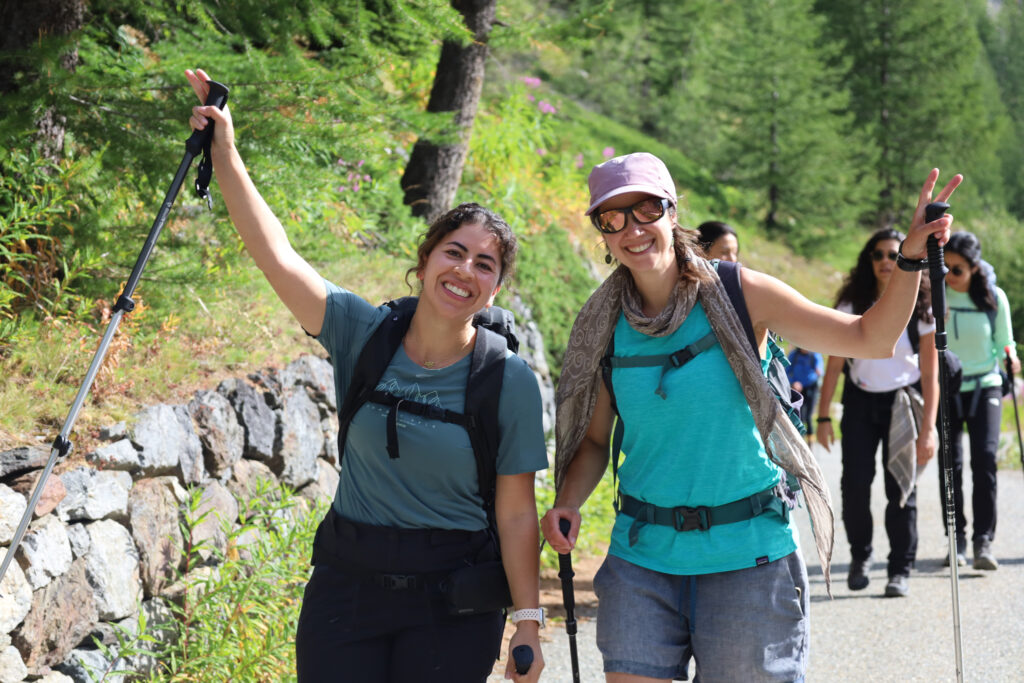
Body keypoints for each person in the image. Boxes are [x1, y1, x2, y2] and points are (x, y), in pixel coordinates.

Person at [185, 68, 547, 683]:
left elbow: (516, 513)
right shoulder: (364, 333)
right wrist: (225, 151)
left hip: (454, 601)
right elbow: (277, 255)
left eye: (485, 264)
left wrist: (529, 622)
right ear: (424, 262)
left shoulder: (506, 379)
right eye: (454, 252)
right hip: (346, 589)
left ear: (495, 290)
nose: (465, 270)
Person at [541, 151, 959, 682]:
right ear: (601, 231)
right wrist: (568, 501)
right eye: (612, 218)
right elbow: (594, 441)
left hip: (749, 558)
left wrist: (911, 258)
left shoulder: (740, 293)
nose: (632, 229)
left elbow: (869, 338)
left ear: (672, 211)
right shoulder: (603, 323)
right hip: (642, 559)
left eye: (646, 209)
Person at [815, 229, 939, 598]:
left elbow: (930, 373)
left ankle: (900, 569)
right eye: (878, 255)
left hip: (903, 402)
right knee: (854, 486)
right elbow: (834, 365)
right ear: (868, 261)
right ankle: (861, 556)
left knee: (900, 488)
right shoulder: (852, 303)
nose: (886, 261)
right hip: (860, 401)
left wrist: (928, 429)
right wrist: (823, 417)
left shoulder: (923, 305)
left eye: (893, 254)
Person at [940, 231, 1019, 570]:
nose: (949, 275)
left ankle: (982, 541)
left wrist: (1011, 357)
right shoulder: (937, 295)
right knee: (951, 465)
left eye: (957, 269)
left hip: (986, 385)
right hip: (948, 387)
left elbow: (1005, 341)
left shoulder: (994, 298)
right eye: (944, 267)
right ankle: (956, 540)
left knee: (985, 462)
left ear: (974, 267)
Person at [786, 346, 824, 439]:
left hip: (811, 388)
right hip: (798, 389)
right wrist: (793, 382)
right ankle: (800, 438)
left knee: (809, 416)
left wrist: (818, 371)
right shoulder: (794, 355)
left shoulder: (814, 355)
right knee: (800, 415)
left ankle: (811, 441)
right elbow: (787, 371)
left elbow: (820, 370)